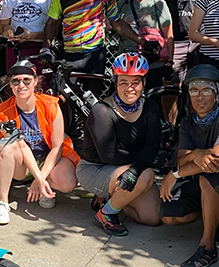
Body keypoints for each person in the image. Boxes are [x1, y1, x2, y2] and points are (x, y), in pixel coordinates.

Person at [61, 52, 164, 234]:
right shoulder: (101, 111)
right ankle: (106, 213)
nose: (129, 88)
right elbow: (109, 154)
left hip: (129, 167)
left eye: (135, 83)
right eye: (123, 82)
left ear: (144, 83)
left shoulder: (151, 107)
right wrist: (138, 167)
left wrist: (135, 168)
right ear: (115, 83)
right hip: (95, 167)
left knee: (152, 217)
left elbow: (153, 146)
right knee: (146, 175)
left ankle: (110, 198)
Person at [165, 64, 219, 267]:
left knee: (207, 179)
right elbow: (182, 158)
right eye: (194, 90)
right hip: (202, 181)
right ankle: (217, 217)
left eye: (206, 90)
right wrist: (195, 154)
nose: (199, 97)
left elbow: (215, 162)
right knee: (169, 214)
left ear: (217, 94)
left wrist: (174, 174)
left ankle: (208, 246)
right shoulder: (187, 122)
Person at [0, 58, 76, 224]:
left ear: (36, 81)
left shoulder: (51, 105)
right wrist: (38, 177)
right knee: (5, 148)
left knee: (68, 181)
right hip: (22, 164)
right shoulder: (4, 111)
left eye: (26, 80)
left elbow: (57, 147)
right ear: (10, 85)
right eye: (16, 81)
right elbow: (21, 146)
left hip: (49, 159)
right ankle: (2, 202)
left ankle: (46, 188)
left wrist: (40, 179)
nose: (21, 85)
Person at [111, 0, 173, 75]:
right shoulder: (122, 4)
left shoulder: (158, 4)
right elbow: (108, 25)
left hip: (152, 61)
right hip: (126, 61)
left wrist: (169, 62)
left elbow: (169, 36)